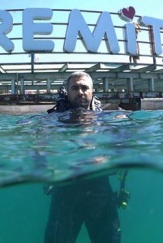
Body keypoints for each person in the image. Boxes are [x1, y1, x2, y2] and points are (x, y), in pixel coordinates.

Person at [44, 71, 123, 243]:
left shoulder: (108, 120)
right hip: (65, 193)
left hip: (100, 194)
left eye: (84, 87)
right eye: (75, 88)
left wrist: (108, 160)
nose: (80, 92)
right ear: (67, 91)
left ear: (92, 92)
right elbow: (39, 149)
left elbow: (124, 149)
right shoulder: (52, 121)